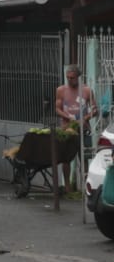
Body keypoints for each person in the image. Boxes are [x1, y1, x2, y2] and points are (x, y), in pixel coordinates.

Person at [54, 64, 96, 193]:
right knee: (66, 159)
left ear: (78, 77)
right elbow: (57, 109)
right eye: (68, 77)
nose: (69, 80)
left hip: (83, 129)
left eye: (72, 78)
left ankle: (86, 187)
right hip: (67, 129)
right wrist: (67, 116)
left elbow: (95, 109)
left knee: (84, 158)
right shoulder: (61, 90)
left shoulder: (87, 91)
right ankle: (67, 187)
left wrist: (86, 118)